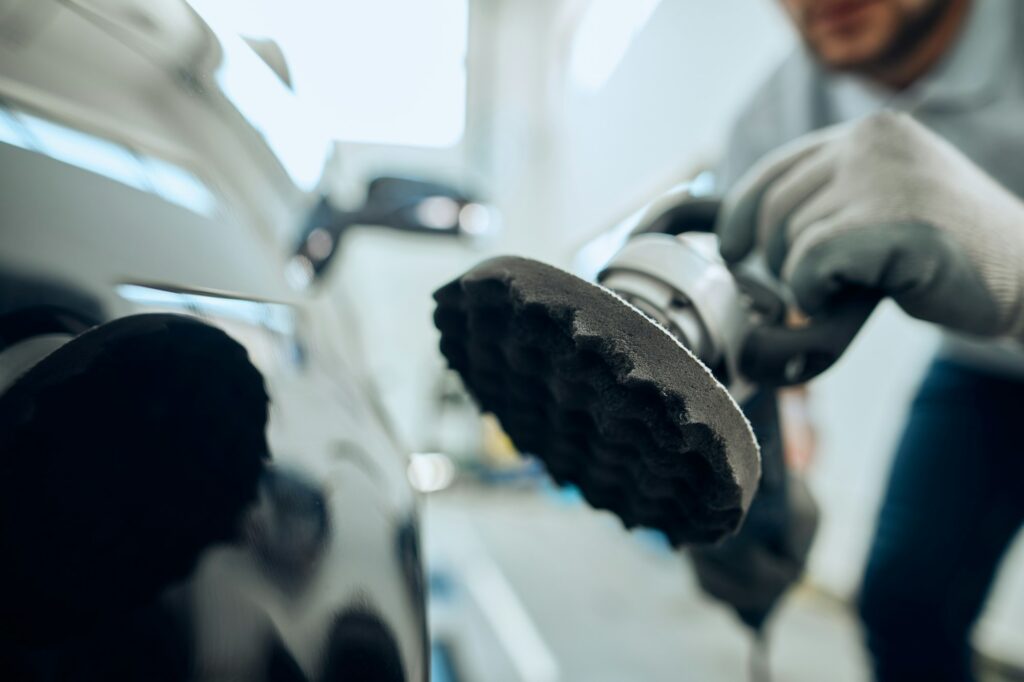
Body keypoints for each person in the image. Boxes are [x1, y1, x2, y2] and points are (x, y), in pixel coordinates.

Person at [711, 1, 1024, 679]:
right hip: (985, 369)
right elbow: (761, 321)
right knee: (905, 607)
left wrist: (1013, 265)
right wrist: (755, 463)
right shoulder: (776, 116)